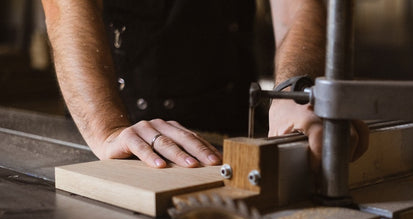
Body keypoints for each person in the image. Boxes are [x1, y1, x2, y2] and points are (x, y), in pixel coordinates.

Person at [41, 0, 369, 170]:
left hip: (229, 116)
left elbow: (299, 9)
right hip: (117, 124)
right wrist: (107, 127)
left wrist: (294, 92)